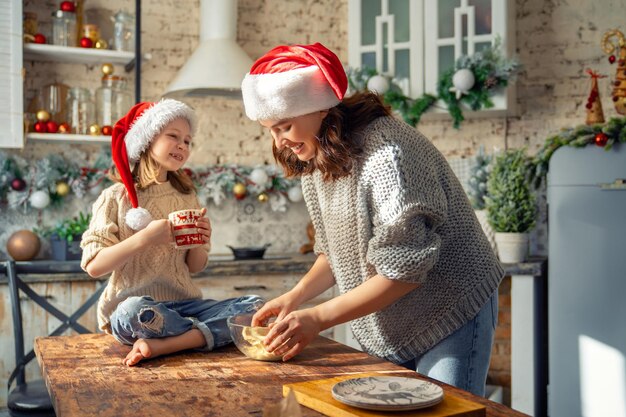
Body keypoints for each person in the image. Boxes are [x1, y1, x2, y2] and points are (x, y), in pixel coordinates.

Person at [242, 43, 503, 396]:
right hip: (396, 317)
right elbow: (337, 253)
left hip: (451, 306)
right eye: (269, 129)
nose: (280, 141)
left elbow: (403, 270)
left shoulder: (386, 155)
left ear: (319, 108)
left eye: (284, 126)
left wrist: (317, 318)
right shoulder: (317, 160)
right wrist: (296, 297)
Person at [81, 99, 263, 366]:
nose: (182, 145)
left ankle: (168, 344)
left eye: (188, 141)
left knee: (256, 307)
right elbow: (94, 266)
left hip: (184, 305)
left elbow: (195, 266)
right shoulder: (114, 198)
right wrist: (144, 238)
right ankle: (199, 334)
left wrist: (199, 241)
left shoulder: (187, 196)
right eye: (173, 136)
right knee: (133, 311)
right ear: (147, 139)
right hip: (135, 312)